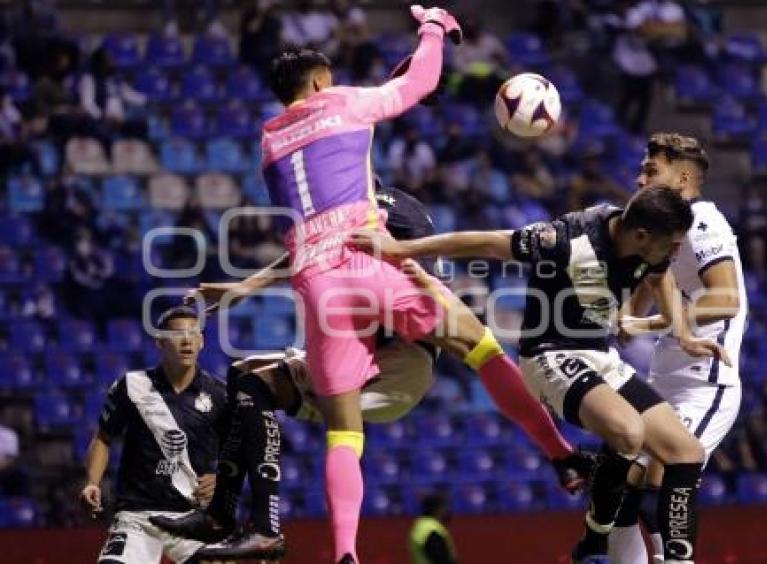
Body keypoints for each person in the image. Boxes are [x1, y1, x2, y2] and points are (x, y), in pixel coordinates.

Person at [160, 11, 582, 559]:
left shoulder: (267, 141)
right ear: (317, 82)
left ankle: (344, 554)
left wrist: (242, 289)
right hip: (370, 259)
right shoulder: (343, 103)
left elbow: (340, 149)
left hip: (317, 281)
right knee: (479, 348)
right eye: (330, 80)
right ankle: (561, 453)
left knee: (344, 433)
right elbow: (418, 84)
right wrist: (435, 28)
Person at [151, 183, 593, 559]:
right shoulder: (329, 219)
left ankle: (559, 451)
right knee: (250, 380)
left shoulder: (385, 205)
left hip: (404, 355)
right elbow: (309, 253)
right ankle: (243, 519)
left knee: (475, 352)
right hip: (366, 348)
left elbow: (411, 261)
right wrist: (246, 285)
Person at [352, 185, 729, 564]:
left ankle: (679, 560)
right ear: (643, 236)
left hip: (601, 356)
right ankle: (595, 541)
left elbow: (658, 273)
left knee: (686, 453)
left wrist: (681, 332)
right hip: (550, 355)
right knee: (629, 432)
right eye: (674, 243)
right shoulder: (567, 238)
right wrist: (400, 249)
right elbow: (488, 243)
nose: (677, 252)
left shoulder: (651, 243)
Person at [608, 133, 747, 563]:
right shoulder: (668, 227)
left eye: (651, 170)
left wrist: (650, 321)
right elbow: (657, 277)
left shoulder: (703, 220)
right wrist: (628, 317)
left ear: (682, 176)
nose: (639, 178)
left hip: (703, 384)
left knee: (659, 474)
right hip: (663, 381)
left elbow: (727, 299)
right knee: (617, 487)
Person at [79, 307, 228, 564]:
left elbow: (240, 450)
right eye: (177, 333)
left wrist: (223, 478)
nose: (186, 340)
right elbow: (103, 437)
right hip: (138, 517)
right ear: (159, 341)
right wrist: (92, 482)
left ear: (202, 341)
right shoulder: (131, 386)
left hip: (194, 517)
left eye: (194, 333)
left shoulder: (219, 394)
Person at [409, 493, 457, 564]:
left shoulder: (420, 526)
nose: (447, 511)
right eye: (444, 508)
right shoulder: (432, 530)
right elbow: (441, 559)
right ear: (437, 509)